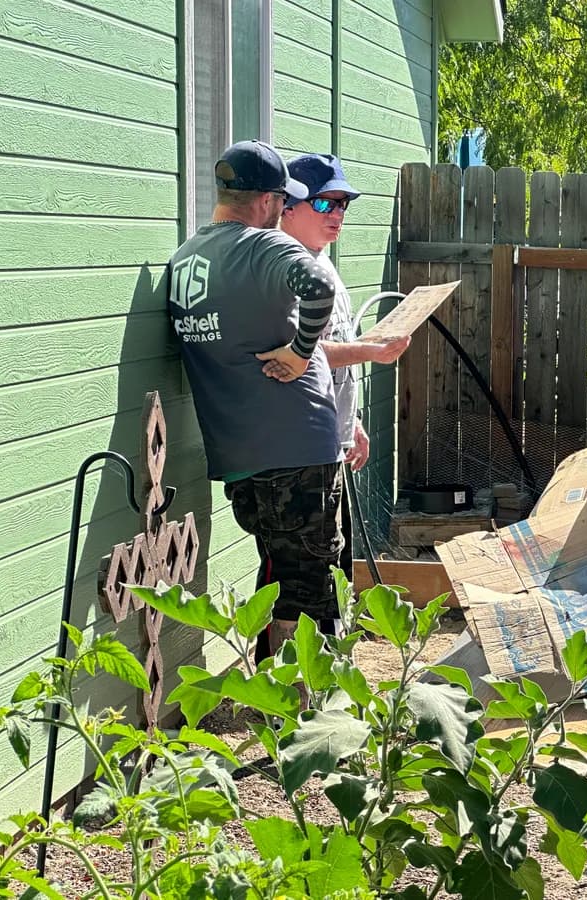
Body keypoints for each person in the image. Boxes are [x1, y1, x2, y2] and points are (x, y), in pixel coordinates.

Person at [167, 140, 345, 655]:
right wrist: (298, 352)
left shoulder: (185, 260)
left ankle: (280, 696)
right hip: (296, 447)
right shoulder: (264, 247)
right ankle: (297, 707)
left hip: (240, 453)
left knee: (275, 572)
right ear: (268, 201)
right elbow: (317, 286)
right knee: (307, 582)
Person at [260, 153, 410, 612]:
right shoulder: (283, 268)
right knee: (295, 584)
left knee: (331, 572)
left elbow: (330, 354)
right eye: (326, 204)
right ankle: (283, 680)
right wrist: (370, 351)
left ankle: (323, 674)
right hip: (293, 454)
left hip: (328, 445)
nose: (338, 215)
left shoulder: (322, 265)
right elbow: (297, 354)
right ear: (287, 206)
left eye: (344, 205)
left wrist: (353, 422)